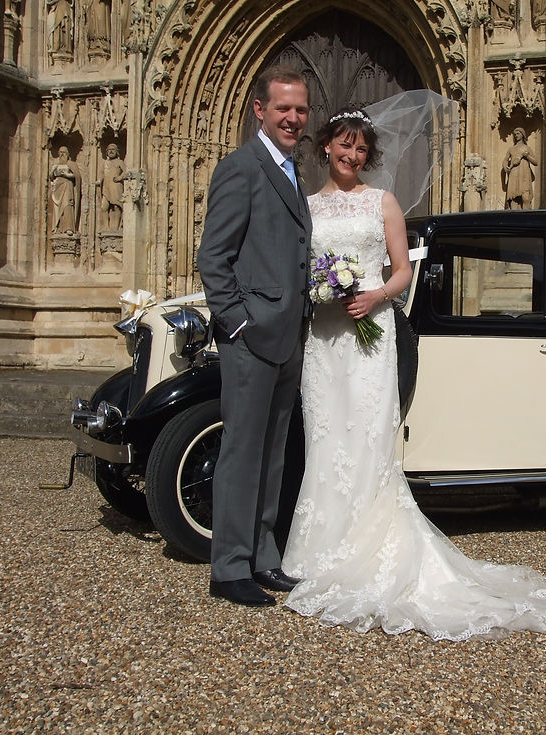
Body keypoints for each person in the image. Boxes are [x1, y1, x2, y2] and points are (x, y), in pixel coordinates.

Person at [281, 105, 546, 640]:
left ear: (368, 157)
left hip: (370, 339)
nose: (351, 155)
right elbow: (299, 268)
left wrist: (371, 294)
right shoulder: (306, 207)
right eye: (343, 145)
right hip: (324, 343)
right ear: (326, 145)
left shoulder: (383, 203)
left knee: (368, 444)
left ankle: (372, 554)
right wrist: (318, 290)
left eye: (361, 149)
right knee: (327, 444)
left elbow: (401, 272)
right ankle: (319, 554)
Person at [196, 66, 312, 607]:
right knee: (241, 453)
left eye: (301, 109)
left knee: (272, 453)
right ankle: (229, 567)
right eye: (283, 108)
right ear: (258, 110)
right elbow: (213, 258)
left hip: (288, 338)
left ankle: (263, 557)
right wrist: (237, 322)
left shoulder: (293, 172)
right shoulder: (240, 168)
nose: (293, 118)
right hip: (251, 338)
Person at [502, 127, 537, 209]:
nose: (516, 135)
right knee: (513, 199)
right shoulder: (511, 149)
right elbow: (505, 160)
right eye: (515, 134)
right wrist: (505, 166)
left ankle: (527, 217)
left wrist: (527, 156)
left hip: (524, 174)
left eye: (518, 133)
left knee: (525, 198)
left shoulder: (527, 148)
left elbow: (536, 162)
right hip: (514, 173)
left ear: (522, 135)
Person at [50, 146, 80, 234]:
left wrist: (68, 175)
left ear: (67, 154)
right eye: (60, 152)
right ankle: (58, 228)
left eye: (64, 152)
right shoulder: (56, 165)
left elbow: (76, 176)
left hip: (67, 186)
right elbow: (51, 177)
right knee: (57, 208)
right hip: (57, 189)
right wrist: (53, 172)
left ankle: (69, 228)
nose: (62, 154)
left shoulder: (71, 164)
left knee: (67, 206)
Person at [98, 143, 125, 231]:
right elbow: (102, 173)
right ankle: (106, 226)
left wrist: (119, 178)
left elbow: (126, 172)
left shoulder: (119, 162)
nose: (111, 151)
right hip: (106, 187)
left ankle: (115, 227)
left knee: (116, 206)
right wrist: (99, 181)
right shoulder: (105, 163)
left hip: (116, 187)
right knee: (104, 207)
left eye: (113, 149)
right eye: (109, 150)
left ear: (117, 152)